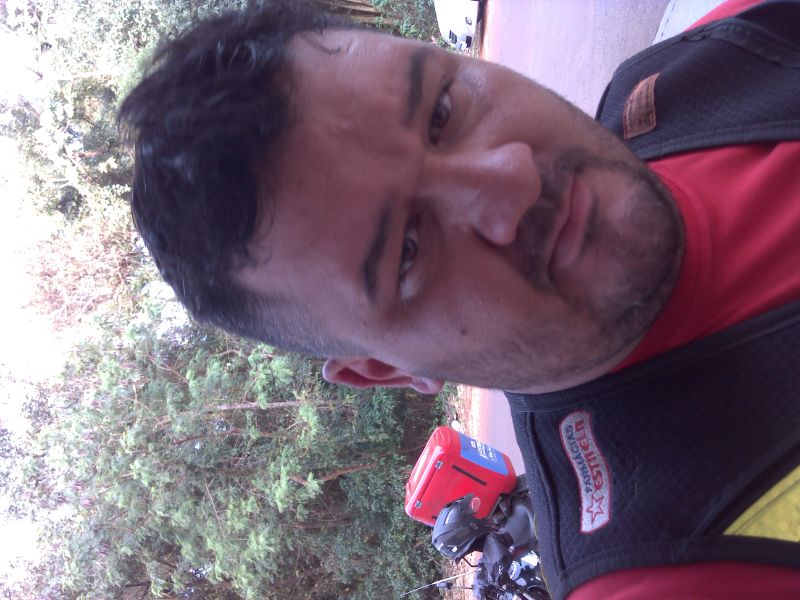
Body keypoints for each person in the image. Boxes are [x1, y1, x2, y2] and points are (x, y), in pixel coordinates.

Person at [118, 0, 800, 598]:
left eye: (442, 110)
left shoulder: (697, 71)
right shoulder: (682, 569)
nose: (512, 178)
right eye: (407, 252)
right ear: (383, 367)